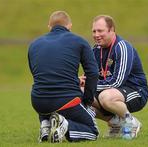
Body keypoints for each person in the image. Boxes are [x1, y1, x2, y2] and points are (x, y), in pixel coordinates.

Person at [28, 11, 99, 143]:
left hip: (38, 102)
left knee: (45, 89)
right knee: (93, 130)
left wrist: (75, 80)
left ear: (49, 26)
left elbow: (40, 74)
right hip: (66, 100)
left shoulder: (34, 44)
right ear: (70, 26)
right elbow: (93, 73)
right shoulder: (79, 41)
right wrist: (87, 100)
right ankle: (65, 125)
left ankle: (46, 124)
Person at [80, 15, 148, 140]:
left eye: (100, 31)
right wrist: (84, 81)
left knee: (105, 97)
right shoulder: (96, 49)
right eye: (94, 31)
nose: (96, 35)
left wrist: (90, 83)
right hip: (110, 91)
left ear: (112, 30)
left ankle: (131, 121)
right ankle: (115, 123)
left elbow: (117, 81)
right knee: (79, 94)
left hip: (135, 91)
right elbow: (92, 75)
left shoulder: (122, 47)